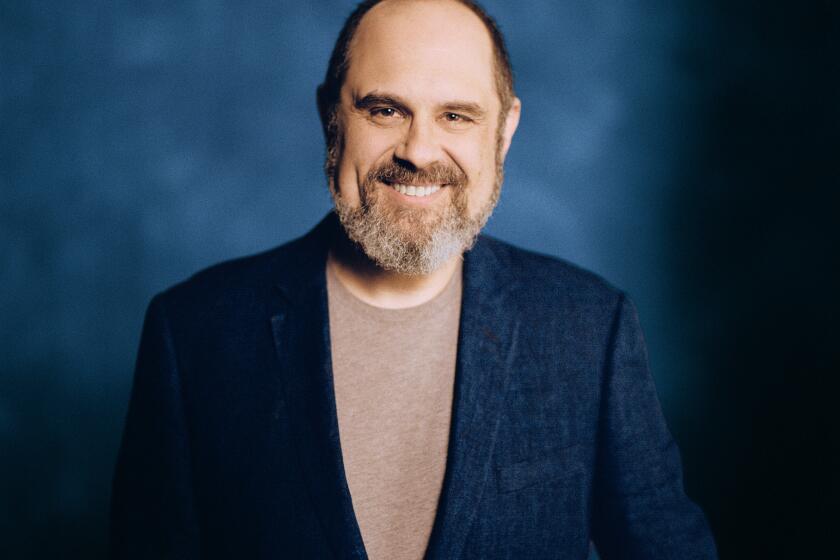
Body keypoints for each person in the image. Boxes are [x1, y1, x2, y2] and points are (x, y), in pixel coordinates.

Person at [110, 0, 718, 558]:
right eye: (385, 109)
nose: (419, 151)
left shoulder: (589, 328)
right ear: (331, 116)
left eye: (456, 115)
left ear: (503, 132)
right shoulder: (194, 334)